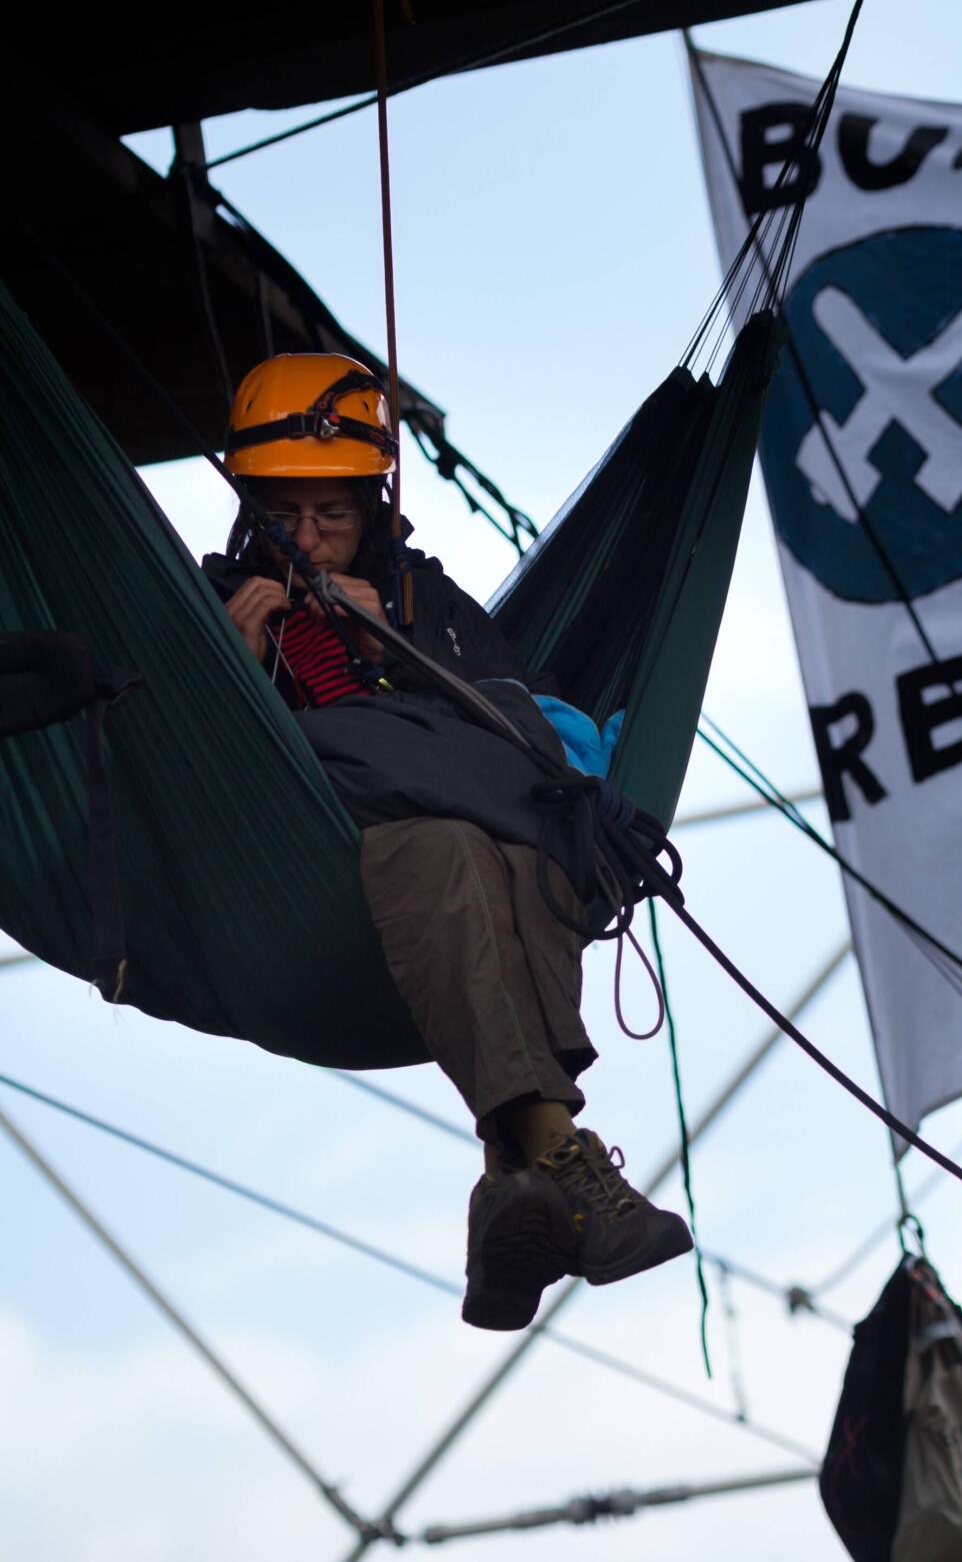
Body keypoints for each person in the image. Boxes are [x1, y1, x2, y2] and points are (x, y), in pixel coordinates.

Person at [202, 351, 691, 1332]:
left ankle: (518, 1188)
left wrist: (399, 648)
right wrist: (237, 666)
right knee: (443, 851)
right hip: (316, 866)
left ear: (372, 507)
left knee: (516, 848)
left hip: (471, 860)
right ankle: (562, 1161)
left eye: (330, 514)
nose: (306, 537)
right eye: (284, 514)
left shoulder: (426, 604)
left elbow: (519, 730)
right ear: (253, 510)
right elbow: (182, 764)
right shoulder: (210, 607)